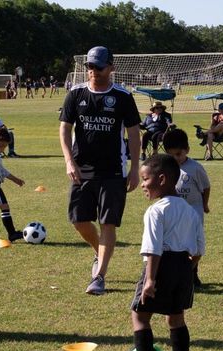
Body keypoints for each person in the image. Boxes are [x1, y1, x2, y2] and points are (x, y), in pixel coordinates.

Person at [59, 45, 141, 295]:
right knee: (79, 220)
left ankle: (100, 276)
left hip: (113, 171)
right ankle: (99, 251)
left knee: (108, 223)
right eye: (90, 67)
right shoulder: (76, 94)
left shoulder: (122, 97)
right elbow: (65, 129)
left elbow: (134, 134)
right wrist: (68, 161)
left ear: (111, 68)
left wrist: (135, 167)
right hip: (81, 169)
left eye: (99, 66)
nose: (93, 71)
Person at [127, 154, 205, 351]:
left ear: (162, 179)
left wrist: (150, 279)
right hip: (184, 265)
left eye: (145, 179)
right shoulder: (191, 211)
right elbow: (200, 247)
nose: (142, 185)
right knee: (176, 317)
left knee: (139, 316)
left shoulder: (155, 211)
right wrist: (187, 269)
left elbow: (153, 248)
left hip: (160, 266)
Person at [163, 128, 211, 287]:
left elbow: (206, 187)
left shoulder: (195, 167)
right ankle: (178, 273)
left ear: (187, 150)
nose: (175, 158)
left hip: (193, 212)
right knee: (178, 244)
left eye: (178, 154)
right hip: (175, 214)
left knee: (194, 245)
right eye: (171, 155)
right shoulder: (166, 167)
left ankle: (193, 274)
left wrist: (204, 204)